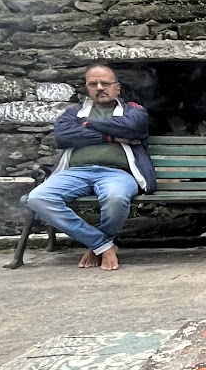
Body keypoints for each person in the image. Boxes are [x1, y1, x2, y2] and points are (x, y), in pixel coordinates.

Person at [25, 65, 155, 270]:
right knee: (38, 198)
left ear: (117, 88)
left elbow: (134, 128)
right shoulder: (74, 112)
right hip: (75, 173)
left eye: (105, 83)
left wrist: (86, 125)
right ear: (87, 88)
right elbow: (62, 136)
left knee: (116, 198)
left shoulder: (133, 110)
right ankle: (101, 244)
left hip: (118, 173)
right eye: (93, 84)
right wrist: (110, 136)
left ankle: (96, 245)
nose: (100, 88)